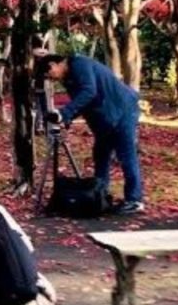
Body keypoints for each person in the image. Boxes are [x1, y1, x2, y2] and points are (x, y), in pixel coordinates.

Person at [36, 53, 145, 215]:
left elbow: (89, 91)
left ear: (53, 65)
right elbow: (81, 102)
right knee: (100, 155)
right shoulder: (69, 77)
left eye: (49, 74)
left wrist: (65, 112)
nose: (51, 79)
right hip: (104, 117)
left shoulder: (80, 64)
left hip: (122, 111)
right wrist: (65, 119)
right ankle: (101, 195)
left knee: (126, 155)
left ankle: (134, 200)